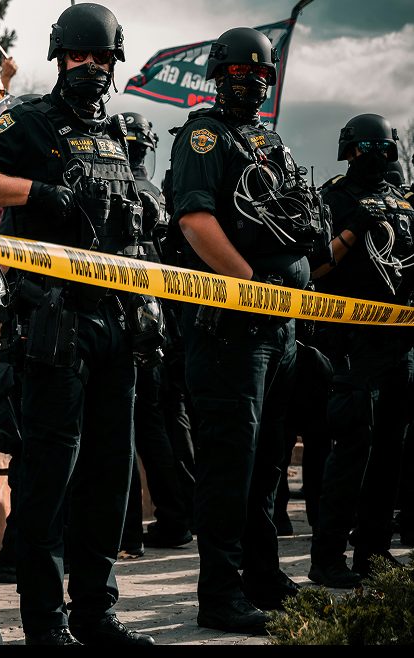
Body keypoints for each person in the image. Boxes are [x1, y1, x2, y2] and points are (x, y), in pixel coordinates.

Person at [0, 3, 156, 646]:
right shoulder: (28, 120)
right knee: (48, 479)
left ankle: (97, 613)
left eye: (101, 58)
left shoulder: (124, 136)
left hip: (118, 323)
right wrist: (40, 195)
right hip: (54, 322)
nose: (90, 68)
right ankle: (46, 621)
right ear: (59, 57)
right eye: (79, 56)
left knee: (108, 477)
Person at [168, 27, 329, 632]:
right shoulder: (203, 135)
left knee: (267, 465)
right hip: (232, 328)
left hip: (280, 327)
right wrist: (251, 288)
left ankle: (263, 575)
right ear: (218, 74)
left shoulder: (268, 136)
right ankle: (220, 593)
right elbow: (196, 220)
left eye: (260, 75)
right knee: (231, 466)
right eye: (239, 73)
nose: (251, 83)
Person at [306, 113, 413, 589]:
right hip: (350, 344)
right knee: (351, 452)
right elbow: (313, 269)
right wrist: (350, 230)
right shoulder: (334, 198)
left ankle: (373, 550)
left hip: (399, 344)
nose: (370, 157)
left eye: (379, 149)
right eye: (362, 149)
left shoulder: (402, 202)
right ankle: (327, 556)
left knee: (390, 453)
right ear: (348, 151)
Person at [118, 111, 194, 557]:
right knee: (161, 425)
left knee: (133, 427)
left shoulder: (123, 191)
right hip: (162, 326)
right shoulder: (159, 196)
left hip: (132, 325)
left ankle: (129, 532)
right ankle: (177, 517)